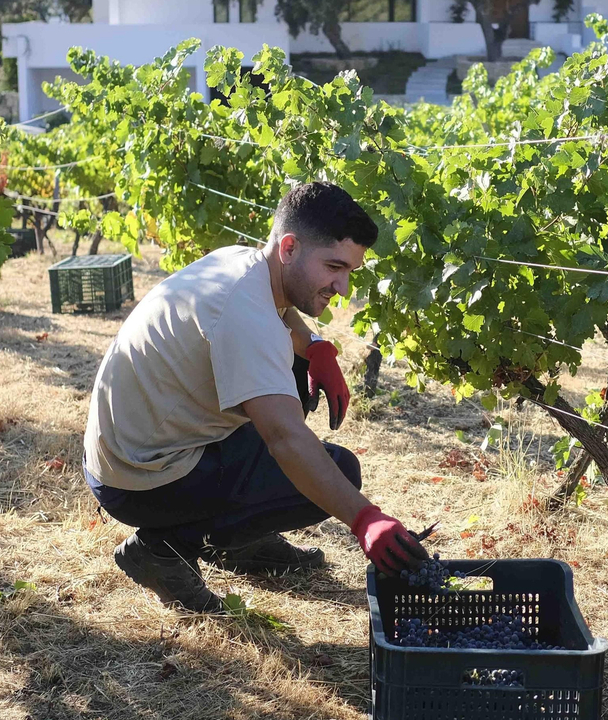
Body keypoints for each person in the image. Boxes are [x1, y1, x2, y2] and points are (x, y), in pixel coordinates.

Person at [82, 181, 427, 612]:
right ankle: (163, 551)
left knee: (296, 369)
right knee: (340, 472)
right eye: (334, 267)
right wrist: (364, 519)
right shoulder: (244, 316)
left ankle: (239, 540)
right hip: (139, 477)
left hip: (136, 445)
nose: (342, 287)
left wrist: (316, 347)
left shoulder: (245, 262)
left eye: (349, 272)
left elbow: (282, 310)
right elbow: (285, 439)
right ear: (289, 248)